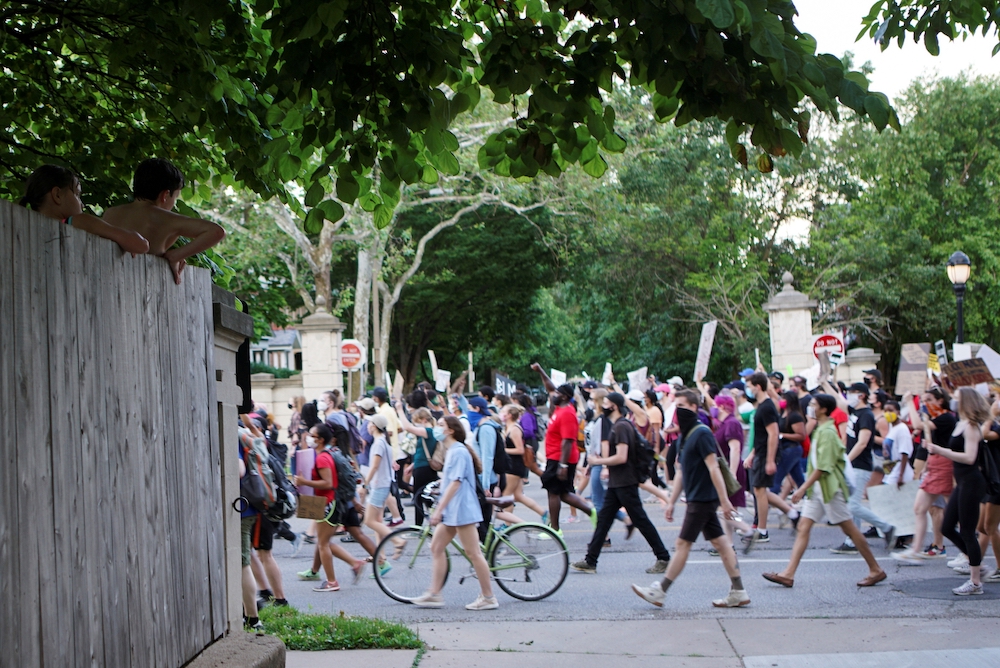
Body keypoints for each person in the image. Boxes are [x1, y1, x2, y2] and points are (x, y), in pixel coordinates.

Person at [631, 390, 749, 608]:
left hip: (703, 499)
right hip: (696, 497)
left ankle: (660, 590)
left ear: (695, 407)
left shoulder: (702, 433)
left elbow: (714, 468)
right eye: (677, 405)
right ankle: (739, 590)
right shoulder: (686, 435)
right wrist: (672, 501)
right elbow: (682, 473)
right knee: (722, 543)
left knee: (682, 543)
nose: (679, 409)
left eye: (683, 405)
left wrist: (724, 500)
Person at [761, 394, 888, 588]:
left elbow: (823, 467)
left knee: (851, 530)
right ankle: (788, 573)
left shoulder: (828, 432)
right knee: (804, 526)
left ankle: (875, 569)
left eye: (813, 404)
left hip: (830, 490)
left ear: (823, 409)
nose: (810, 407)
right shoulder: (821, 429)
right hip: (819, 490)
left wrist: (802, 487)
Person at [572, 392, 672, 574]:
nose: (603, 406)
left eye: (607, 403)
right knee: (603, 521)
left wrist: (598, 462)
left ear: (615, 406)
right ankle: (590, 560)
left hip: (625, 482)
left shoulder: (621, 427)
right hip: (618, 482)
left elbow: (621, 457)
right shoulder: (616, 425)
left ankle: (663, 557)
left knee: (641, 520)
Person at [412, 417, 499, 610]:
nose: (437, 428)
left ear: (451, 430)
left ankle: (488, 597)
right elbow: (449, 481)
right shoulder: (453, 450)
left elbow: (456, 482)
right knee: (436, 547)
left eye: (441, 425)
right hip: (455, 509)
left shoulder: (458, 451)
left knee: (473, 553)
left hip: (462, 508)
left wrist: (439, 509)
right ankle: (434, 594)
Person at [102, 158, 225, 284]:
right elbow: (216, 232)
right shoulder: (166, 219)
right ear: (165, 195)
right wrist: (176, 255)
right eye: (175, 198)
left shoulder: (111, 213)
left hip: (107, 281)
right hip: (144, 286)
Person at [929, 387, 991, 595]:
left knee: (966, 530)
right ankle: (977, 564)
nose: (953, 401)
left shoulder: (972, 427)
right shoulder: (960, 424)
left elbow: (969, 458)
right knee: (947, 527)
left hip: (972, 481)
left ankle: (975, 582)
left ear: (965, 402)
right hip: (963, 481)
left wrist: (941, 450)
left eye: (956, 398)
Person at [292, 423, 366, 591]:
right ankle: (354, 564)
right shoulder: (322, 455)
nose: (308, 437)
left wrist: (304, 482)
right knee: (323, 542)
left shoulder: (323, 458)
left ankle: (333, 581)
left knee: (323, 544)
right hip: (323, 503)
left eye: (312, 435)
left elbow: (328, 483)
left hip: (327, 504)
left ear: (321, 439)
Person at [18, 164, 149, 254]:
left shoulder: (25, 231)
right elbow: (140, 245)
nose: (82, 204)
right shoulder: (78, 221)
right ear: (57, 195)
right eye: (77, 195)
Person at [830, 382, 895, 554]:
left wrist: (847, 461)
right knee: (852, 504)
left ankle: (886, 527)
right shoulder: (855, 412)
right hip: (854, 464)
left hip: (860, 465)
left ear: (861, 395)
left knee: (852, 506)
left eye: (852, 392)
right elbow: (838, 400)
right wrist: (824, 382)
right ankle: (852, 541)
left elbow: (863, 442)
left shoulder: (866, 415)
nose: (848, 396)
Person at [892, 389, 955, 563]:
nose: (926, 403)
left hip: (945, 465)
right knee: (920, 508)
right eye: (924, 400)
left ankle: (967, 553)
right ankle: (916, 549)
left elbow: (918, 425)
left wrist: (910, 402)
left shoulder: (946, 418)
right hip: (934, 464)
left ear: (941, 400)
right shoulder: (936, 418)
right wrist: (927, 466)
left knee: (955, 511)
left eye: (929, 400)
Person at [539, 380, 597, 533]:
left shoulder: (567, 413)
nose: (554, 395)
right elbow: (551, 387)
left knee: (554, 492)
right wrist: (540, 371)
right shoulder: (560, 408)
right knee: (563, 494)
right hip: (556, 457)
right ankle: (591, 512)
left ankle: (555, 530)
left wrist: (563, 466)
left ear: (564, 397)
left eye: (558, 394)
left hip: (560, 459)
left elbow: (568, 441)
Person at [742, 372, 779, 547]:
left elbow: (773, 434)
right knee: (759, 491)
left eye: (749, 386)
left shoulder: (767, 407)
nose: (747, 390)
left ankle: (762, 530)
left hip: (766, 454)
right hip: (761, 452)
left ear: (757, 386)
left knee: (760, 491)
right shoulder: (762, 406)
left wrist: (770, 460)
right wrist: (752, 454)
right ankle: (791, 513)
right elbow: (762, 436)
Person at [712, 395, 752, 549]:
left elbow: (735, 449)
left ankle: (747, 530)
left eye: (716, 406)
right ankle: (728, 544)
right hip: (726, 469)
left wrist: (732, 473)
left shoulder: (731, 423)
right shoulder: (725, 423)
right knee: (726, 509)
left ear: (722, 407)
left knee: (723, 507)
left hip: (729, 470)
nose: (713, 409)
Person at [499, 404, 547, 520]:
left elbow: (520, 450)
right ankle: (545, 514)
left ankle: (508, 524)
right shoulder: (508, 428)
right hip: (513, 465)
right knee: (518, 496)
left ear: (509, 415)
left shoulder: (515, 429)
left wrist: (503, 450)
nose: (501, 413)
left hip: (514, 467)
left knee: (506, 496)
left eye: (503, 411)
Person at [396, 404, 440, 526]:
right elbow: (424, 453)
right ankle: (435, 518)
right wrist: (412, 466)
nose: (415, 424)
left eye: (416, 421)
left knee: (418, 497)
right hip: (422, 466)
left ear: (424, 420)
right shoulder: (430, 432)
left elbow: (407, 427)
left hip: (423, 469)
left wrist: (400, 410)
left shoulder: (428, 431)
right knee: (424, 496)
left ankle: (418, 526)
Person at [882, 401, 914, 488]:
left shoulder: (902, 429)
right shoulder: (893, 428)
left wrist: (901, 475)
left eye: (891, 410)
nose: (888, 413)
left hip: (898, 471)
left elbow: (904, 453)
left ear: (898, 412)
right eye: (885, 411)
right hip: (891, 470)